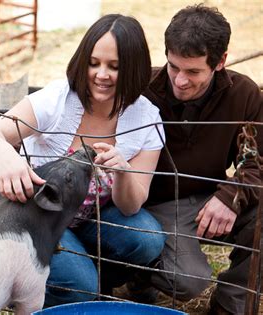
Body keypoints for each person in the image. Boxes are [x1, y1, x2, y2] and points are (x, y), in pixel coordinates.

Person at [0, 14, 167, 307]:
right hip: (38, 217)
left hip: (90, 218)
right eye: (94, 63)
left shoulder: (146, 118)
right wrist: (5, 154)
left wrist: (124, 171)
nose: (101, 74)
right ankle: (50, 287)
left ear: (134, 69)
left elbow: (131, 205)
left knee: (147, 238)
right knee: (80, 285)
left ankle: (90, 278)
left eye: (115, 67)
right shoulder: (59, 99)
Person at [137, 4, 263, 315]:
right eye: (173, 66)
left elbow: (257, 161)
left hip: (211, 195)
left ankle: (229, 305)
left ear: (220, 62)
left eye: (193, 71)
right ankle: (135, 278)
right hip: (156, 205)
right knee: (189, 281)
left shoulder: (244, 94)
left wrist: (231, 196)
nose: (179, 81)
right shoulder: (141, 90)